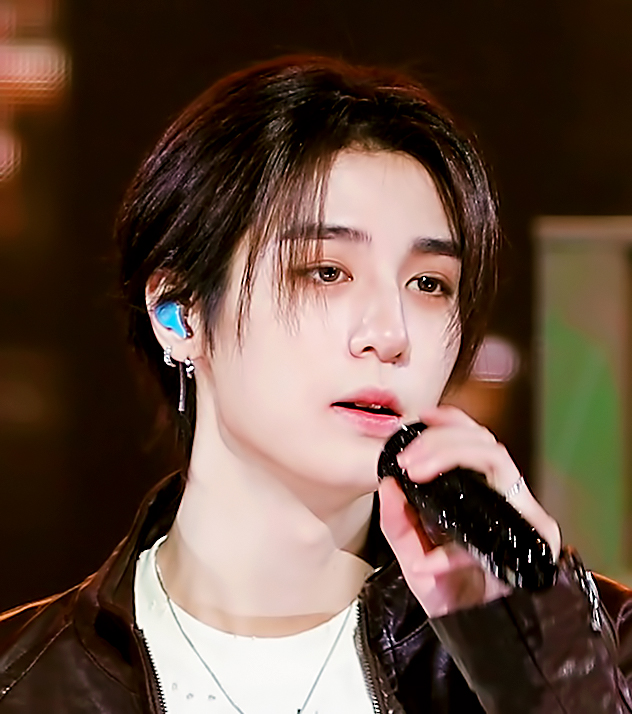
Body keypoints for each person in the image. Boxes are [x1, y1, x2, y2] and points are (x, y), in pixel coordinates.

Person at [0, 55, 631, 714]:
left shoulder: (605, 658)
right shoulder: (24, 682)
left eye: (429, 284)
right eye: (326, 272)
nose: (389, 334)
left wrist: (541, 666)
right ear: (179, 314)